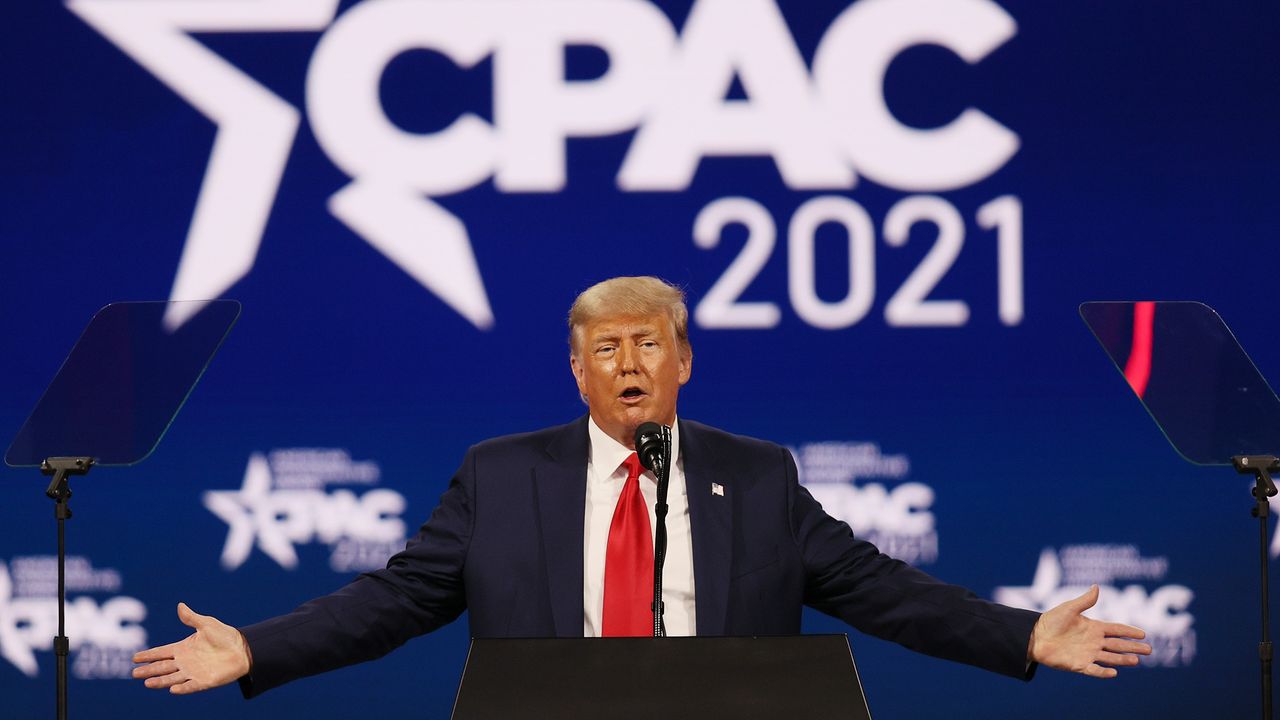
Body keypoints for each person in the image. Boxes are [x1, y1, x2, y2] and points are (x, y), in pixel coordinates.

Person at [132, 276, 1151, 697]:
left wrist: (1019, 633)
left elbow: (881, 591)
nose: (628, 363)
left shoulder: (754, 477)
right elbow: (390, 602)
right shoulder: (500, 475)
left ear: (682, 363)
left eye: (648, 345)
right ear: (575, 373)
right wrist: (258, 647)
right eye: (606, 348)